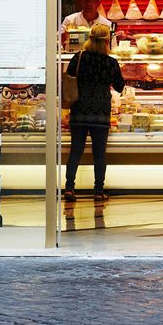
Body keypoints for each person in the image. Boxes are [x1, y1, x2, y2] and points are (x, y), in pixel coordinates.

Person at [64, 22, 124, 202]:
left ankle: (69, 188)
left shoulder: (79, 57)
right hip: (100, 112)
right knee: (99, 153)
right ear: (107, 41)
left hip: (79, 109)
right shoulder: (110, 62)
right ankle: (98, 191)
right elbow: (120, 87)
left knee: (76, 150)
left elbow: (69, 76)